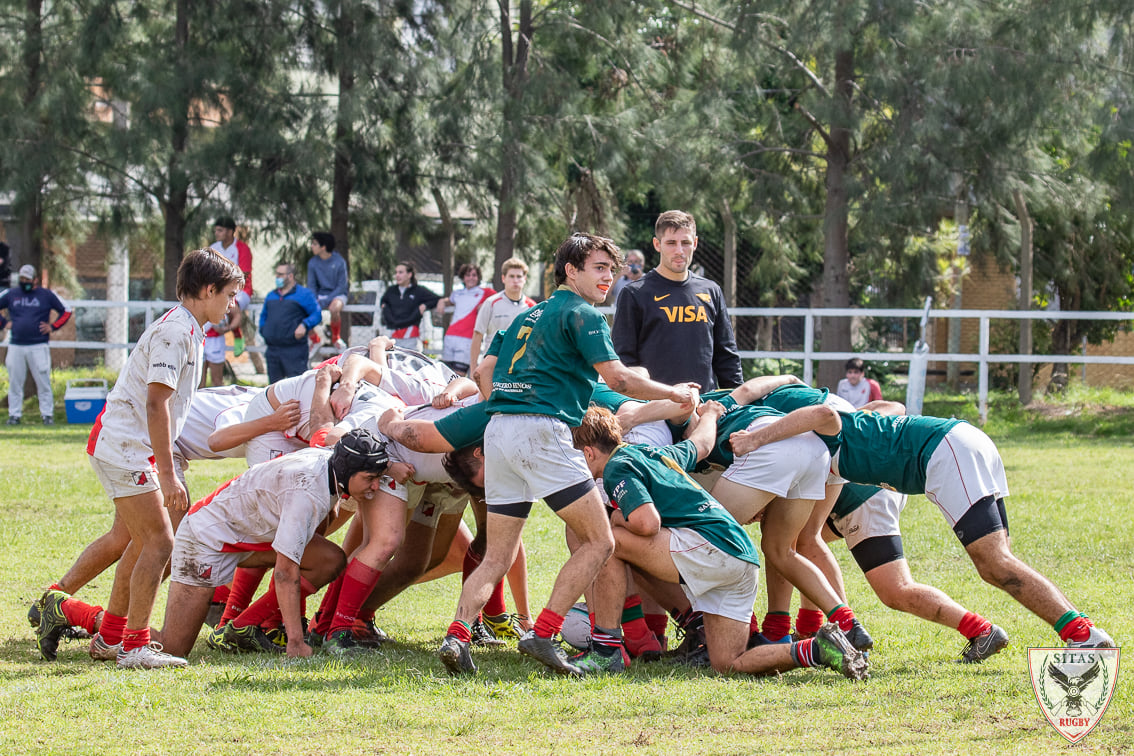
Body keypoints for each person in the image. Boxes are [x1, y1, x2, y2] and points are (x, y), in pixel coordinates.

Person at [436, 232, 697, 677]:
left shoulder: (525, 314)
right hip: (543, 430)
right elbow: (618, 379)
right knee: (601, 541)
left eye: (611, 270)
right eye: (599, 268)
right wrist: (672, 393)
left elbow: (485, 369)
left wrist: (512, 400)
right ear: (571, 271)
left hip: (499, 430)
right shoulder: (582, 313)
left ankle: (457, 636)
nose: (608, 277)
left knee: (497, 556)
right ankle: (542, 633)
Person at [729, 405, 1117, 651]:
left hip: (945, 451)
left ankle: (1083, 634)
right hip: (961, 440)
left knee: (994, 564)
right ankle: (1078, 631)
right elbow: (810, 535)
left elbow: (823, 414)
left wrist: (753, 439)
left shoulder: (807, 435)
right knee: (999, 563)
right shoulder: (818, 459)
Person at [571, 405, 868, 679]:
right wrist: (710, 414)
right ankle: (818, 649)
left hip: (712, 549)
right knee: (728, 663)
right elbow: (700, 445)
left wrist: (617, 518)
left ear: (588, 453)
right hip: (741, 558)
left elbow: (647, 524)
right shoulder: (654, 454)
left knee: (606, 542)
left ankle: (606, 650)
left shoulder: (617, 466)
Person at [75, 248, 242, 669]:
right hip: (126, 449)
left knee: (142, 542)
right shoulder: (175, 333)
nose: (233, 303)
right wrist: (168, 475)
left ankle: (112, 637)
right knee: (161, 542)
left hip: (130, 448)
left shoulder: (189, 329)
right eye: (230, 294)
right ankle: (134, 647)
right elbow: (156, 403)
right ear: (208, 290)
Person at [158, 429, 390, 659]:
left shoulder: (333, 462)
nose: (375, 487)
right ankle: (135, 637)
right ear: (347, 471)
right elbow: (285, 573)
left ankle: (242, 627)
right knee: (173, 648)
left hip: (248, 536)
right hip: (205, 539)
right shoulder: (306, 492)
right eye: (370, 478)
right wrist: (296, 642)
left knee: (329, 560)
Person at [612, 210, 743, 391]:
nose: (679, 251)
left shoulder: (711, 291)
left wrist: (737, 399)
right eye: (671, 243)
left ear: (695, 243)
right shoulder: (634, 293)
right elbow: (624, 360)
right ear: (657, 244)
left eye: (686, 243)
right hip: (655, 403)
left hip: (703, 401)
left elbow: (727, 357)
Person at [0, 264, 71, 425]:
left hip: (39, 345)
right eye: (22, 278)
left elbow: (66, 310)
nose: (24, 281)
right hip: (16, 345)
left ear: (35, 280)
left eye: (27, 279)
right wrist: (4, 323)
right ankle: (14, 415)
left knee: (43, 381)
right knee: (15, 382)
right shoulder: (12, 294)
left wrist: (53, 326)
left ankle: (47, 415)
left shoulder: (46, 295)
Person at [468, 258, 535, 372]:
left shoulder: (532, 307)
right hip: (492, 366)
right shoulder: (491, 303)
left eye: (519, 276)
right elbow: (478, 335)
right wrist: (474, 369)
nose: (515, 280)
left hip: (519, 369)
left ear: (525, 279)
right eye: (511, 276)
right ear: (503, 278)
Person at [259, 262, 322, 383]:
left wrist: (305, 325)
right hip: (272, 350)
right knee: (273, 388)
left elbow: (317, 314)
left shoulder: (304, 294)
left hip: (294, 350)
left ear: (290, 276)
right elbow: (263, 316)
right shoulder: (271, 295)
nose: (277, 277)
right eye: (276, 274)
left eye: (280, 274)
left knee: (297, 386)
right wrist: (264, 330)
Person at [435, 263, 494, 375]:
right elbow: (449, 301)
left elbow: (499, 300)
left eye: (474, 275)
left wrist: (486, 305)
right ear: (463, 277)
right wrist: (441, 301)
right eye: (468, 275)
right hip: (450, 336)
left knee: (459, 375)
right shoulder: (457, 293)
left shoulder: (486, 292)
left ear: (478, 277)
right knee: (445, 374)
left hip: (468, 338)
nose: (471, 278)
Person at [209, 216, 254, 357]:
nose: (216, 233)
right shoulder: (213, 248)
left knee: (231, 305)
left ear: (230, 232)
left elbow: (244, 274)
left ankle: (238, 336)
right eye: (216, 230)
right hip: (221, 288)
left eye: (220, 230)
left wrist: (230, 290)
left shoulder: (242, 248)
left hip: (241, 289)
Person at [380, 261, 439, 351]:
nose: (397, 275)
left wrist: (425, 305)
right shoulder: (391, 291)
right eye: (396, 272)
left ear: (409, 275)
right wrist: (386, 310)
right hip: (393, 336)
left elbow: (436, 299)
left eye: (400, 272)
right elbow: (383, 303)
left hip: (411, 337)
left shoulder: (418, 291)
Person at [308, 231, 350, 351]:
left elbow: (342, 286)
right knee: (301, 309)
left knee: (334, 308)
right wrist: (315, 298)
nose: (312, 246)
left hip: (338, 295)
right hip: (320, 295)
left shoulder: (339, 262)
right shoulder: (312, 263)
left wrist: (327, 299)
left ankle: (336, 338)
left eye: (315, 244)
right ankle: (315, 340)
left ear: (323, 247)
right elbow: (311, 285)